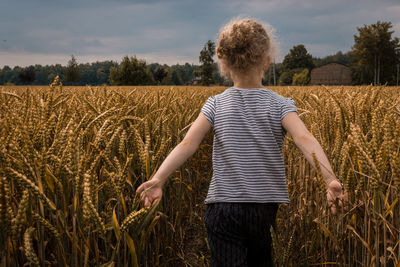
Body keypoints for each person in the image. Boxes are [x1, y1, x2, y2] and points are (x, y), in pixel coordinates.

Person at [136, 17, 345, 267]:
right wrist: (329, 178)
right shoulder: (280, 105)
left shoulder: (215, 104)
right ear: (268, 60)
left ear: (224, 66)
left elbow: (187, 145)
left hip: (222, 208)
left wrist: (158, 178)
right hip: (263, 210)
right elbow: (305, 139)